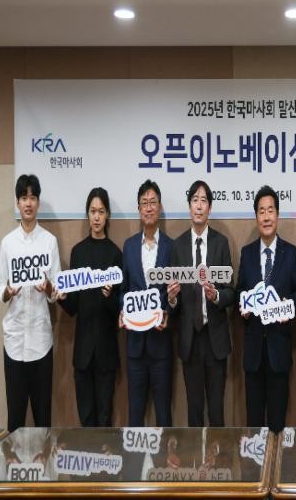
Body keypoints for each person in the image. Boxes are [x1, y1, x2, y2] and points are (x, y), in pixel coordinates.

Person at [0, 174, 61, 432]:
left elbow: (58, 291)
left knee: (43, 419)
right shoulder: (7, 243)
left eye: (33, 197)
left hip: (41, 342)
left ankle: (43, 460)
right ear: (17, 203)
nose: (28, 203)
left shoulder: (49, 241)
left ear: (38, 202)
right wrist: (8, 292)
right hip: (14, 341)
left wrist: (49, 288)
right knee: (15, 420)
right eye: (24, 198)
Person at [237, 185, 296, 433]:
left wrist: (288, 307)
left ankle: (275, 461)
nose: (266, 217)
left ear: (277, 214)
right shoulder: (246, 254)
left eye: (270, 211)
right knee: (254, 425)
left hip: (279, 350)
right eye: (261, 211)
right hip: (253, 354)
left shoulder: (290, 253)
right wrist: (243, 307)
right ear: (256, 217)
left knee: (277, 426)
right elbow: (240, 292)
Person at [167, 180, 235, 427]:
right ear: (189, 207)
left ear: (210, 208)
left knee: (216, 412)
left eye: (203, 200)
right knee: (194, 412)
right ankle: (196, 454)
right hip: (190, 340)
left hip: (215, 338)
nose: (198, 205)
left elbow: (231, 292)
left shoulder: (221, 243)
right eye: (194, 200)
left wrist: (216, 295)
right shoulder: (177, 246)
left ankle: (219, 455)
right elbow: (173, 304)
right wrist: (172, 298)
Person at [57, 187, 122, 427]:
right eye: (93, 211)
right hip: (82, 353)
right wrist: (60, 297)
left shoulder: (115, 254)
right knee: (86, 419)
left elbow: (119, 309)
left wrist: (109, 296)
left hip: (106, 352)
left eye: (101, 211)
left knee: (105, 419)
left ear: (107, 215)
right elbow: (73, 307)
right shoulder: (78, 252)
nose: (96, 217)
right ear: (87, 214)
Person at [120, 179, 173, 427]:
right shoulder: (129, 246)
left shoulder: (171, 247)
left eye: (153, 202)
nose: (149, 207)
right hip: (135, 347)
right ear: (139, 209)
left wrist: (169, 311)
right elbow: (124, 291)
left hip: (161, 346)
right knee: (135, 415)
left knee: (164, 415)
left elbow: (176, 292)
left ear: (159, 207)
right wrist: (123, 310)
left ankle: (165, 455)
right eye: (144, 203)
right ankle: (134, 455)